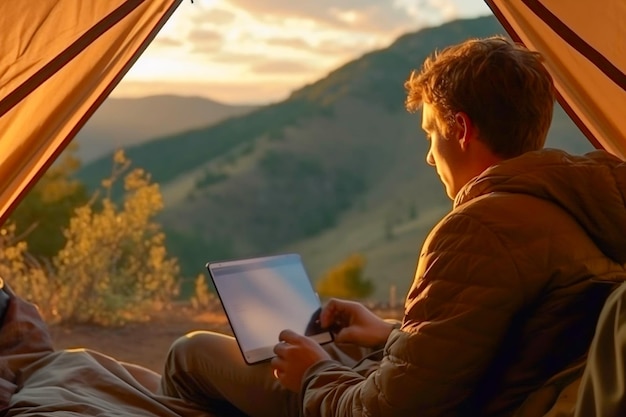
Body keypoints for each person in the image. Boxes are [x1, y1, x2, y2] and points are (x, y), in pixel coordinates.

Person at [159, 36, 626, 416]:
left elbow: (387, 410)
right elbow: (496, 345)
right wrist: (388, 334)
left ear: (461, 130)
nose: (428, 155)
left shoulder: (480, 228)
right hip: (483, 395)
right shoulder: (587, 208)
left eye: (430, 133)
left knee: (192, 351)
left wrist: (314, 373)